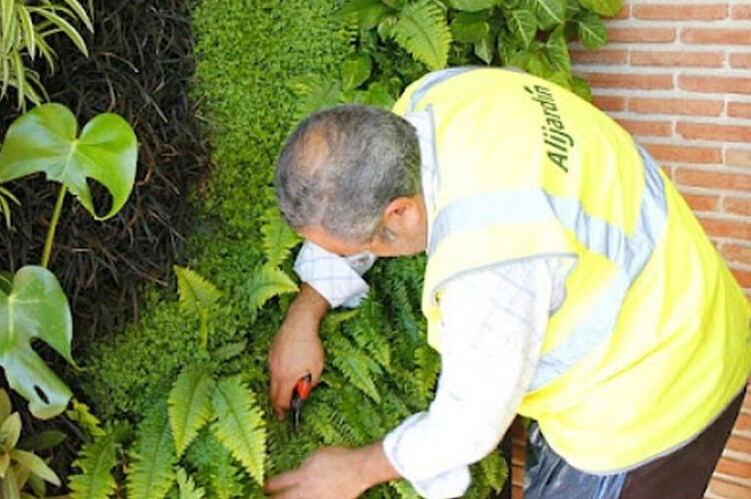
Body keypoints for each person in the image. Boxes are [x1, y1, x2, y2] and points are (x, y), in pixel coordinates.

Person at [263, 67, 751, 499]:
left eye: (350, 249)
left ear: (399, 215)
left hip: (659, 393)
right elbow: (359, 195)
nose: (353, 254)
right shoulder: (435, 100)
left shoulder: (491, 256)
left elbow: (469, 424)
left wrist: (352, 471)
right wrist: (306, 310)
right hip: (687, 296)